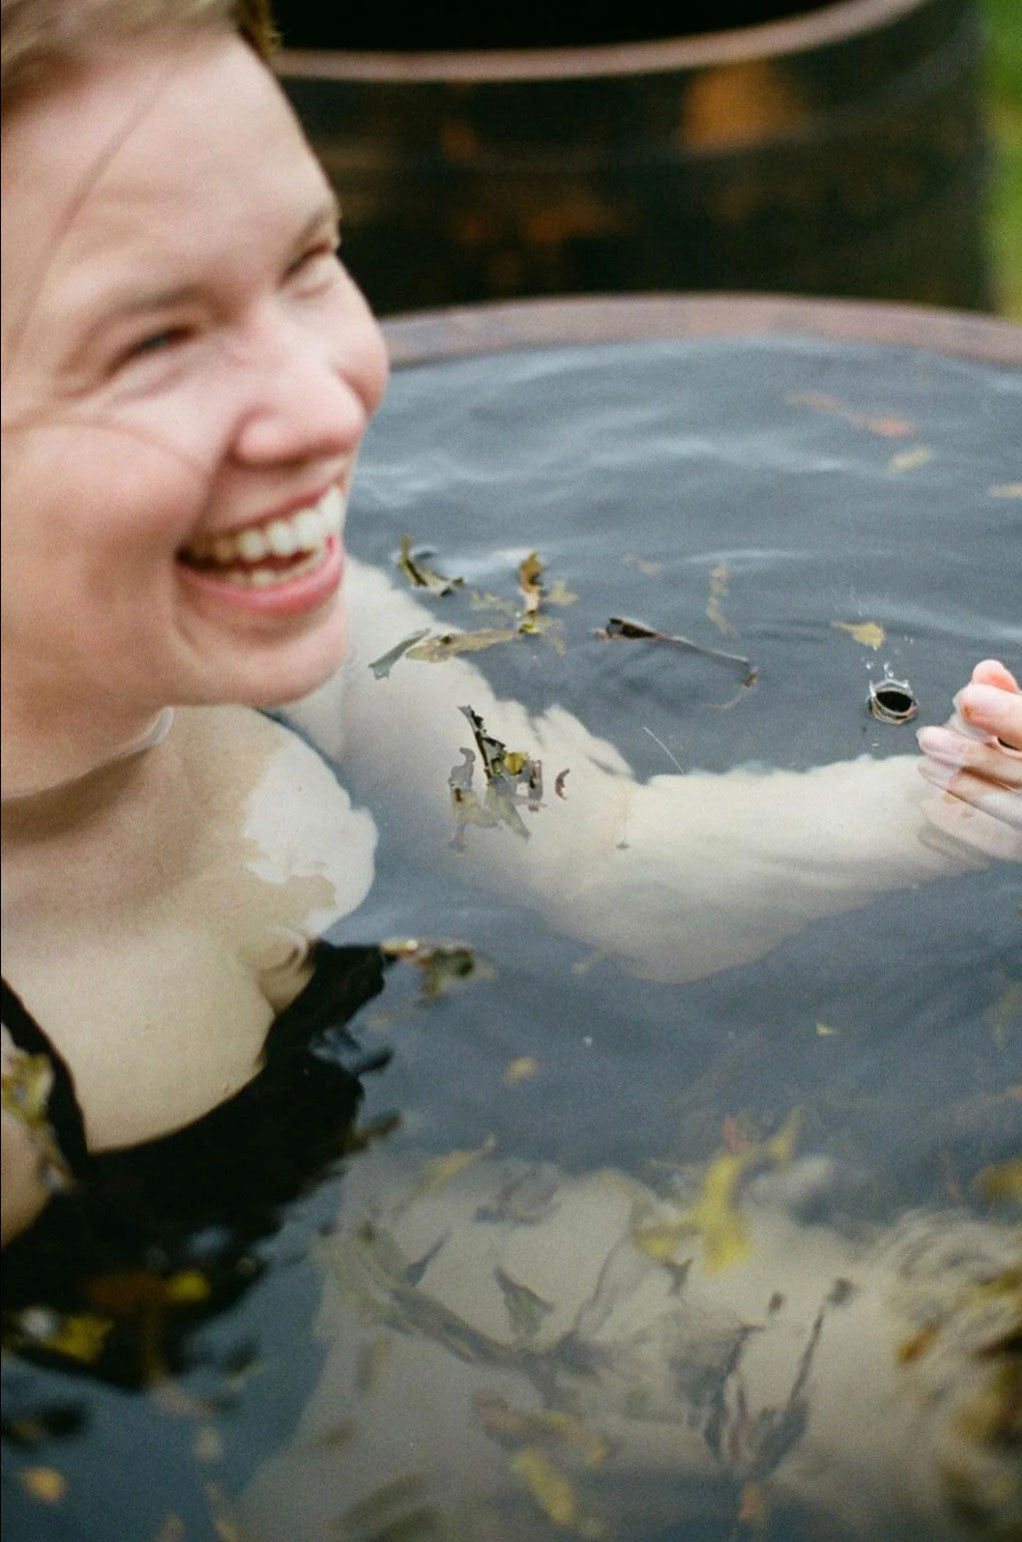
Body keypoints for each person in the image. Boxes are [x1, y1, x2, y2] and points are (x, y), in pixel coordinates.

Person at [0, 1, 1019, 1533]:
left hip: (417, 1256)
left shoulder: (299, 632)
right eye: (152, 341)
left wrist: (938, 812)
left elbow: (606, 859)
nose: (330, 392)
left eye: (306, 261)